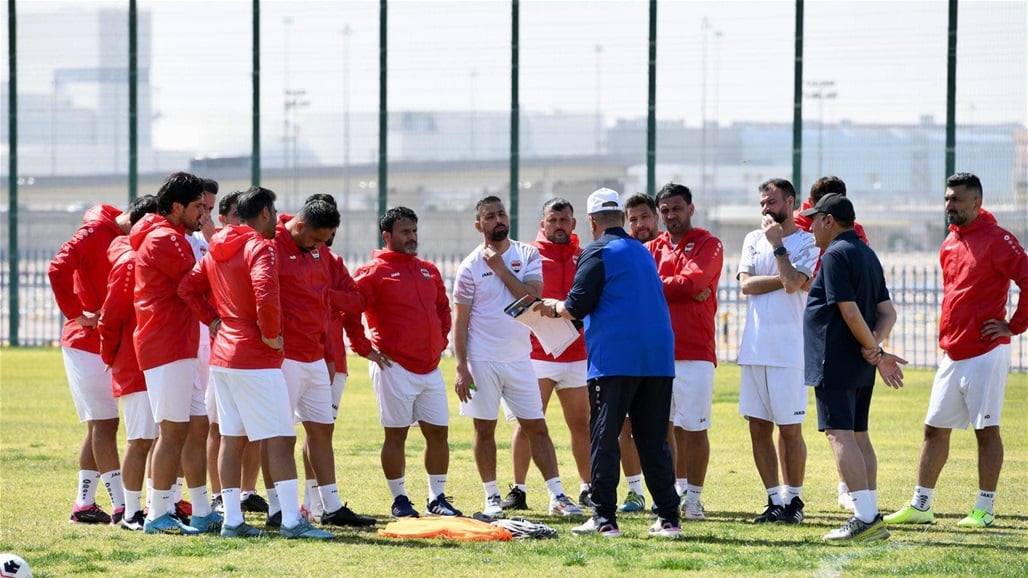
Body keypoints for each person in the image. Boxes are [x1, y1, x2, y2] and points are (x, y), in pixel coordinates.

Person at [178, 186, 333, 540]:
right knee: (280, 437)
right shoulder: (259, 246)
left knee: (232, 438)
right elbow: (265, 291)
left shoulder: (216, 246)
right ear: (264, 213)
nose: (278, 219)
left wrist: (215, 321)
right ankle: (292, 521)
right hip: (255, 356)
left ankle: (233, 521)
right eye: (274, 212)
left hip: (224, 355)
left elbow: (188, 287)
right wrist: (270, 333)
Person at [885, 173, 1028, 529]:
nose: (950, 205)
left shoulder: (999, 239)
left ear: (977, 203)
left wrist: (1014, 325)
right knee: (933, 429)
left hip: (986, 352)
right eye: (948, 199)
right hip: (952, 353)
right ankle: (921, 505)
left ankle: (985, 508)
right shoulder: (949, 242)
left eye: (957, 200)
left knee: (987, 431)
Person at [535, 188, 680, 538]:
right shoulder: (642, 251)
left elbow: (576, 305)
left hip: (615, 359)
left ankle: (604, 518)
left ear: (591, 222)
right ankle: (669, 518)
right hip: (658, 359)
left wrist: (553, 306)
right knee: (653, 439)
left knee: (603, 437)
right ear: (620, 216)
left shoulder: (597, 251)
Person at [452, 195, 582, 518]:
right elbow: (460, 320)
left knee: (537, 426)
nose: (497, 220)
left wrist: (499, 268)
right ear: (478, 224)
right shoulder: (469, 266)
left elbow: (534, 296)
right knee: (484, 429)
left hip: (520, 359)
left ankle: (557, 496)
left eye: (501, 214)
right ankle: (491, 497)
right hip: (481, 361)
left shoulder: (527, 253)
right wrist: (460, 367)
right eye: (489, 216)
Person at [801, 192, 906, 543]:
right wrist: (875, 348)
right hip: (859, 363)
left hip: (837, 360)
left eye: (815, 219)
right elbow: (887, 312)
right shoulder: (866, 252)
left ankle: (864, 517)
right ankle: (870, 514)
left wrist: (872, 348)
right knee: (859, 435)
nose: (811, 226)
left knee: (839, 434)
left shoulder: (834, 255)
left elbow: (848, 311)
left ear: (829, 221)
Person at [343, 206, 461, 518]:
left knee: (439, 433)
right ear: (387, 235)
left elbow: (443, 309)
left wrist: (441, 341)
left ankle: (437, 498)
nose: (412, 237)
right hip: (392, 366)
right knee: (396, 435)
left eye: (414, 231)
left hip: (431, 367)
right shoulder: (372, 272)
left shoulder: (428, 270)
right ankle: (400, 500)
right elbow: (350, 312)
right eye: (405, 232)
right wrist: (363, 347)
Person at [272, 200, 375, 528]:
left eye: (327, 241)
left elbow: (353, 301)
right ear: (301, 227)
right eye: (318, 240)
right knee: (279, 434)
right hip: (283, 357)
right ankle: (278, 508)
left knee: (321, 431)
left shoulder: (322, 255)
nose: (322, 248)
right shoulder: (271, 246)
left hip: (317, 357)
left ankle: (329, 505)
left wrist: (329, 355)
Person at [131, 171, 219, 534]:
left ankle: (200, 510)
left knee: (197, 426)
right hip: (165, 345)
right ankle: (157, 514)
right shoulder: (163, 239)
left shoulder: (176, 236)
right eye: (199, 206)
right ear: (177, 206)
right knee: (171, 432)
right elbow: (194, 283)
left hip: (180, 344)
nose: (203, 213)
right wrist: (223, 252)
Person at [50, 200, 141, 525]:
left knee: (99, 424)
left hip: (99, 340)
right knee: (105, 424)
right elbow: (57, 267)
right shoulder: (94, 231)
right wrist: (76, 313)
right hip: (84, 340)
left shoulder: (113, 231)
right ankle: (121, 507)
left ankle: (84, 504)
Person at [500, 198, 592, 512]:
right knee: (528, 423)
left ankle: (587, 488)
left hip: (578, 353)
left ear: (574, 223)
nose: (558, 226)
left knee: (581, 424)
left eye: (564, 220)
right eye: (552, 221)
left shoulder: (585, 256)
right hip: (538, 354)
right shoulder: (529, 254)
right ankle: (518, 489)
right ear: (543, 224)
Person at [736, 178, 819, 525]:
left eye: (772, 202)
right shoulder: (752, 239)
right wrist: (789, 281)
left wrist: (779, 251)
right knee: (758, 427)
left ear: (790, 202)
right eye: (762, 203)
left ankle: (793, 500)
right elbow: (746, 285)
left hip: (789, 352)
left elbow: (795, 282)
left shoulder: (807, 242)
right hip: (754, 349)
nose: (766, 209)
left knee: (789, 429)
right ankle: (773, 500)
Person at [649, 183, 724, 521]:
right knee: (661, 427)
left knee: (694, 428)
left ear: (690, 209)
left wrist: (661, 287)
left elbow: (694, 282)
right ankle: (672, 493)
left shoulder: (709, 244)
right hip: (656, 351)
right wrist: (676, 286)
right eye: (664, 210)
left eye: (676, 208)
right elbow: (647, 287)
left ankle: (694, 498)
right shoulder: (651, 247)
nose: (670, 216)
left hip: (695, 350)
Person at [97, 194, 159, 531]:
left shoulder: (145, 258)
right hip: (134, 365)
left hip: (155, 361)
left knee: (161, 437)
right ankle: (129, 513)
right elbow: (109, 318)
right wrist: (110, 357)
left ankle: (153, 506)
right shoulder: (129, 262)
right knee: (141, 439)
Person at [205, 191, 269, 516]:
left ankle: (246, 492)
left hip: (237, 349)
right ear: (223, 219)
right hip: (230, 348)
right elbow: (190, 289)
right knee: (220, 427)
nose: (238, 222)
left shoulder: (248, 247)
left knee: (252, 428)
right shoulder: (217, 250)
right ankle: (219, 495)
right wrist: (213, 318)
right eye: (232, 215)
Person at [614, 192, 661, 513]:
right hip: (625, 348)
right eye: (632, 219)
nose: (639, 224)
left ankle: (669, 492)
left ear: (655, 217)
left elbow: (691, 285)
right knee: (624, 427)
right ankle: (634, 491)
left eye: (644, 217)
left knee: (662, 427)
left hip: (662, 349)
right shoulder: (622, 251)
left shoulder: (663, 249)